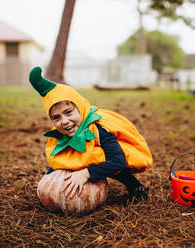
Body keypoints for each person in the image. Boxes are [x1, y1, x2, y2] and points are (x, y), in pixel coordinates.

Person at [29, 66, 153, 206]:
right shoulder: (61, 133)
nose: (64, 121)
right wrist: (48, 181)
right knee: (72, 156)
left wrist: (86, 173)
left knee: (101, 156)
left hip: (116, 158)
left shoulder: (99, 129)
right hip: (90, 156)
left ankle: (135, 186)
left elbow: (118, 161)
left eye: (68, 112)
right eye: (56, 118)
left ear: (80, 107)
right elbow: (59, 160)